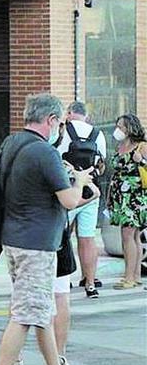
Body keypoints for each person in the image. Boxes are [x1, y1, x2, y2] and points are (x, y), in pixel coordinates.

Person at [0, 93, 90, 365]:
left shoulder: (11, 143)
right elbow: (69, 201)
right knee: (24, 315)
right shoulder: (46, 153)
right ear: (51, 121)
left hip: (15, 239)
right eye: (59, 122)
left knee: (40, 311)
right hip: (36, 244)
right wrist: (82, 183)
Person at [56, 101, 106, 298]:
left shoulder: (63, 131)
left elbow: (56, 159)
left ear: (69, 113)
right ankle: (90, 283)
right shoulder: (98, 133)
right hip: (90, 190)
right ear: (85, 115)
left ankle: (64, 279)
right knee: (87, 239)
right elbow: (101, 165)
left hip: (67, 189)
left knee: (64, 237)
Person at [107, 113, 147, 290]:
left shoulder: (141, 147)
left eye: (121, 127)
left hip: (135, 196)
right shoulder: (120, 146)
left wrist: (142, 162)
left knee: (128, 236)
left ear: (130, 128)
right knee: (135, 236)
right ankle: (136, 275)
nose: (118, 130)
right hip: (120, 196)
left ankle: (129, 277)